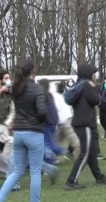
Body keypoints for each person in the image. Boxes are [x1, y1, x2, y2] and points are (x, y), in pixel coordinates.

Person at [0, 60, 47, 201]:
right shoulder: (37, 89)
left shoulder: (16, 88)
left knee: (17, 171)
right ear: (33, 71)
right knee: (35, 172)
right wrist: (40, 121)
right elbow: (43, 111)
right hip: (34, 132)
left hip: (18, 132)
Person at [64, 64, 106, 190]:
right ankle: (71, 181)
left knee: (91, 152)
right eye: (93, 73)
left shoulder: (79, 85)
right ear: (88, 74)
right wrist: (96, 89)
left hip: (83, 122)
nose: (95, 75)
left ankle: (99, 177)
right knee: (85, 153)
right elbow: (96, 100)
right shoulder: (87, 85)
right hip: (84, 123)